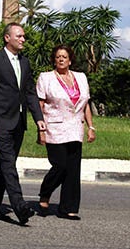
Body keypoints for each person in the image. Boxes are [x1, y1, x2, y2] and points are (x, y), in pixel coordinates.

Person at [0, 22, 45, 225]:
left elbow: (29, 93)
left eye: (23, 36)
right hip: (0, 121)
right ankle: (20, 206)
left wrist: (39, 119)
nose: (23, 39)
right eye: (19, 36)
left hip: (18, 122)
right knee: (9, 164)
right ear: (7, 38)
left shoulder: (25, 62)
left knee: (5, 164)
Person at [36, 44, 96, 220]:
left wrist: (91, 127)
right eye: (57, 57)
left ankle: (68, 208)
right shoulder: (45, 78)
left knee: (73, 169)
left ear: (70, 60)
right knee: (60, 165)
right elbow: (39, 105)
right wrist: (40, 130)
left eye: (64, 57)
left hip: (75, 128)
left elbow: (85, 105)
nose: (61, 59)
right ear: (54, 60)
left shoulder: (81, 77)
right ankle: (45, 192)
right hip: (54, 128)